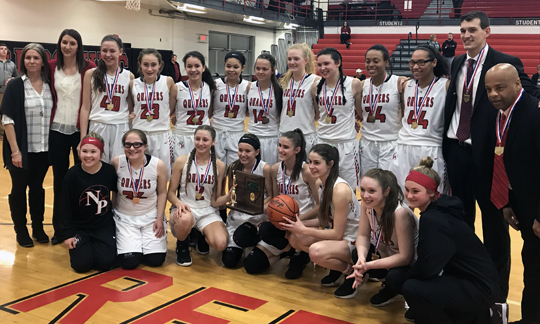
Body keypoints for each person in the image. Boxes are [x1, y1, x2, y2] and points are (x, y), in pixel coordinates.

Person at [443, 11, 540, 302]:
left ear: (487, 31)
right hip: (456, 151)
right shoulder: (457, 62)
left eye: (472, 30)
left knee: (494, 224)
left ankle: (496, 293)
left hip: (489, 155)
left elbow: (527, 95)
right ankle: (464, 276)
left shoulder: (506, 62)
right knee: (460, 219)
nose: (466, 35)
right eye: (462, 30)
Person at [402, 157, 500, 323]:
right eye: (407, 190)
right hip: (475, 281)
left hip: (480, 289)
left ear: (431, 192)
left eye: (415, 191)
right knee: (409, 281)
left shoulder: (433, 219)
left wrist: (409, 277)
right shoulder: (441, 208)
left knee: (410, 287)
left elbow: (429, 266)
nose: (409, 195)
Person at [481, 63, 540, 324]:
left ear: (518, 84)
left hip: (537, 208)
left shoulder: (534, 115)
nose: (493, 94)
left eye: (500, 87)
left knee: (536, 270)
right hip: (521, 202)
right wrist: (505, 201)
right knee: (532, 264)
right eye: (488, 89)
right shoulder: (503, 113)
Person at [281, 144, 361, 298]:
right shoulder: (320, 183)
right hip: (337, 234)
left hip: (353, 239)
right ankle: (338, 268)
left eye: (317, 163)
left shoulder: (340, 190)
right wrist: (295, 223)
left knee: (315, 251)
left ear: (331, 164)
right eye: (310, 162)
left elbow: (337, 234)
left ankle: (353, 273)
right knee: (295, 238)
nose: (311, 167)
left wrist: (303, 229)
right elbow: (324, 220)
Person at [243, 129, 319, 277]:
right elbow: (275, 200)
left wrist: (297, 220)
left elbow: (320, 206)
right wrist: (255, 207)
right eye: (279, 145)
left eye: (285, 147)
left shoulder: (307, 172)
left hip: (303, 222)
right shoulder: (275, 169)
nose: (280, 149)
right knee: (251, 264)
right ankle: (288, 251)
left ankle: (301, 254)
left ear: (297, 150)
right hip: (283, 222)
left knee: (291, 276)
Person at [0, 43, 52, 247]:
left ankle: (38, 228)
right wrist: (15, 151)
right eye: (28, 58)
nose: (32, 61)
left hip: (43, 149)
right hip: (21, 150)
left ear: (42, 62)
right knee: (19, 189)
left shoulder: (49, 85)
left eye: (36, 58)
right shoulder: (15, 85)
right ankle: (20, 230)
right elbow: (7, 119)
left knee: (37, 189)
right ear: (23, 61)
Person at [48, 29, 97, 245]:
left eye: (72, 43)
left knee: (82, 179)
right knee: (60, 180)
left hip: (80, 131)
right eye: (64, 42)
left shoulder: (89, 69)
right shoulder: (50, 67)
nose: (67, 46)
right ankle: (60, 228)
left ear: (79, 46)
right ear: (59, 44)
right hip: (56, 130)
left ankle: (82, 226)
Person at [346, 168, 418, 310]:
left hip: (413, 263)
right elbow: (362, 235)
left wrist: (368, 266)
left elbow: (406, 257)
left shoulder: (400, 213)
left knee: (394, 277)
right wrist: (361, 259)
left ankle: (408, 294)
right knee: (358, 253)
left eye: (372, 191)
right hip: (389, 253)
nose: (365, 195)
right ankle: (389, 287)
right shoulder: (367, 205)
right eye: (362, 189)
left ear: (386, 191)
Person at [390, 45, 450, 195]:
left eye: (421, 62)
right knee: (400, 196)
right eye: (412, 63)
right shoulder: (406, 85)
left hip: (431, 146)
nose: (415, 66)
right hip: (404, 145)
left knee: (433, 196)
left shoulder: (445, 86)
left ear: (434, 62)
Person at [168, 125, 230, 266]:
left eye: (205, 140)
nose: (201, 143)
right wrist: (179, 204)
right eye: (197, 139)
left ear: (213, 142)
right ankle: (182, 246)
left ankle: (201, 234)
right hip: (186, 209)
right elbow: (170, 193)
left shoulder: (219, 166)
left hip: (207, 210)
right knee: (184, 220)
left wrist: (229, 196)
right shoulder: (181, 161)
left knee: (221, 244)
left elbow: (215, 201)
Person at [60, 133, 117, 273]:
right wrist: (68, 235)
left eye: (93, 151)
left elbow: (117, 194)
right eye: (84, 151)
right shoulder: (72, 175)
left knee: (105, 263)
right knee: (81, 265)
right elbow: (64, 206)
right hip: (80, 228)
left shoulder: (109, 171)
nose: (88, 155)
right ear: (79, 152)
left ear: (101, 153)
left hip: (103, 226)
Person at [111, 129, 168, 269]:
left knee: (156, 260)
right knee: (129, 263)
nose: (132, 148)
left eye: (137, 144)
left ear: (145, 146)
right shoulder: (117, 162)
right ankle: (135, 246)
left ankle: (142, 245)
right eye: (127, 144)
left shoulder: (158, 165)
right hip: (125, 219)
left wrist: (159, 218)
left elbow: (162, 193)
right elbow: (113, 192)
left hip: (150, 218)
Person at [79, 35, 134, 163]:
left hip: (121, 126)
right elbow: (85, 107)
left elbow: (131, 106)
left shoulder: (129, 76)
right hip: (98, 125)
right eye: (104, 50)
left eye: (112, 51)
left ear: (120, 52)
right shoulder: (91, 74)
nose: (108, 54)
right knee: (97, 165)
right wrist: (83, 138)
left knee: (119, 165)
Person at [313, 47, 361, 189]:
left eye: (326, 63)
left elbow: (360, 112)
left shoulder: (353, 84)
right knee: (324, 187)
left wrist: (353, 121)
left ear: (338, 62)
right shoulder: (315, 87)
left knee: (348, 188)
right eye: (319, 65)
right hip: (323, 141)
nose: (322, 68)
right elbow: (318, 114)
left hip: (346, 143)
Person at [222, 134, 273, 268]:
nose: (243, 154)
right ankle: (242, 243)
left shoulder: (265, 168)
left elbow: (272, 196)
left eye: (247, 151)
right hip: (237, 217)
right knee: (229, 261)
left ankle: (257, 241)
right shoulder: (233, 167)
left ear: (257, 152)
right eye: (240, 150)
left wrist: (255, 206)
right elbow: (231, 196)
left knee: (245, 238)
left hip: (257, 216)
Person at [359, 45, 408, 176]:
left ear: (386, 61)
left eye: (376, 61)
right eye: (368, 61)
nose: (371, 65)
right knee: (369, 182)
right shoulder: (362, 85)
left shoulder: (398, 83)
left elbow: (405, 113)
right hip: (367, 142)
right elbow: (359, 112)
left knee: (389, 183)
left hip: (390, 141)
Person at [131, 48, 176, 176]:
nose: (149, 69)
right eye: (145, 64)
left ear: (160, 65)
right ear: (140, 64)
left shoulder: (168, 81)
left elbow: (171, 108)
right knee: (139, 174)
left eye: (153, 65)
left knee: (162, 175)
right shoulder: (132, 84)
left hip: (161, 134)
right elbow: (130, 108)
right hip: (140, 133)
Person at [172, 51, 216, 159]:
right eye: (189, 66)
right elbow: (169, 111)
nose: (193, 70)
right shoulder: (177, 87)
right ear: (185, 68)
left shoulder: (209, 87)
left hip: (203, 136)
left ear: (203, 67)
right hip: (182, 134)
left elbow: (209, 113)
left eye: (197, 66)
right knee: (182, 169)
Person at [211, 51, 250, 167]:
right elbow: (209, 108)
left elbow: (249, 110)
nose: (231, 70)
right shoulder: (215, 84)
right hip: (218, 132)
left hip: (237, 133)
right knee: (217, 170)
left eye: (236, 67)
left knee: (235, 169)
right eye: (228, 66)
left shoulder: (248, 86)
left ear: (243, 68)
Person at [279, 43, 319, 154]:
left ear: (306, 60)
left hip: (305, 134)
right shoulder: (284, 81)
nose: (292, 62)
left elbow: (318, 114)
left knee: (305, 170)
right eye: (289, 59)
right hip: (284, 133)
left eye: (296, 59)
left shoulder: (315, 81)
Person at [246, 53, 283, 166]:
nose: (260, 72)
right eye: (258, 68)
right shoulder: (249, 87)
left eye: (265, 69)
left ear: (273, 70)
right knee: (251, 173)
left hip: (271, 138)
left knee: (270, 173)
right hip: (252, 136)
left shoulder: (279, 90)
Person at [0, 42, 18, 137]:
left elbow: (16, 76)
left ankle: (3, 133)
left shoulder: (12, 64)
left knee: (4, 112)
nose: (3, 50)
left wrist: (12, 79)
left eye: (5, 49)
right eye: (1, 48)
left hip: (6, 92)